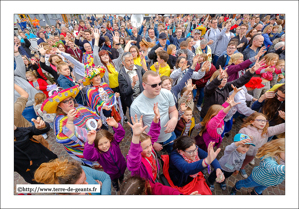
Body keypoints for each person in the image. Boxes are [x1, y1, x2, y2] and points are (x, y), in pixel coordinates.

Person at [41, 85, 103, 167]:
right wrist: (70, 120)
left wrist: (98, 119)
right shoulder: (59, 120)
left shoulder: (80, 107)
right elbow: (61, 139)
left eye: (70, 99)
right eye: (65, 101)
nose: (70, 102)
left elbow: (92, 112)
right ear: (59, 105)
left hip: (98, 139)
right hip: (84, 147)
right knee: (94, 159)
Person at [130, 71, 178, 154]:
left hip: (169, 135)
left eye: (159, 83)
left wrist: (174, 119)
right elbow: (140, 130)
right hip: (152, 141)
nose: (158, 87)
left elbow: (173, 110)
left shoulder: (167, 93)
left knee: (173, 156)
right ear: (144, 85)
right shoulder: (136, 106)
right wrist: (151, 143)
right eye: (154, 85)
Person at [237, 112, 285, 178]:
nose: (263, 122)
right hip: (242, 151)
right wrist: (247, 138)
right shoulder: (245, 130)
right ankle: (235, 167)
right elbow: (238, 140)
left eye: (264, 121)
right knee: (237, 159)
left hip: (253, 153)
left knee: (247, 161)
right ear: (252, 122)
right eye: (260, 120)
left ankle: (242, 167)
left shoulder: (266, 131)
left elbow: (279, 128)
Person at [83, 117, 126, 191]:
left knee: (121, 176)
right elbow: (88, 156)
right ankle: (116, 187)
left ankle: (122, 182)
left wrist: (116, 125)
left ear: (109, 140)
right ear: (96, 146)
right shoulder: (98, 153)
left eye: (106, 142)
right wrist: (90, 143)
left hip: (122, 167)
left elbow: (121, 133)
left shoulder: (114, 143)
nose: (104, 146)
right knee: (114, 181)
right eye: (100, 144)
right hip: (111, 174)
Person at [14, 117, 58, 184]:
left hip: (52, 162)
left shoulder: (17, 131)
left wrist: (42, 127)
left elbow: (32, 130)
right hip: (40, 176)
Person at [195, 87, 240, 152]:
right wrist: (230, 107)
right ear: (214, 115)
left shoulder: (217, 118)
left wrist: (234, 93)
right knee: (201, 152)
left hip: (214, 140)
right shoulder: (212, 123)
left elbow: (227, 103)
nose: (224, 113)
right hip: (206, 143)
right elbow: (221, 114)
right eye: (222, 112)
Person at [34, 158, 111, 195]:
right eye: (81, 185)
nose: (87, 184)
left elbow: (105, 177)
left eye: (85, 178)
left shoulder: (80, 170)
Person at [127, 106, 161, 183]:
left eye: (150, 145)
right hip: (146, 184)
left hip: (155, 175)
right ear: (138, 149)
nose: (150, 149)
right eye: (145, 148)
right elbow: (133, 160)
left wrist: (156, 118)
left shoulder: (149, 147)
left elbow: (154, 132)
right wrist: (135, 136)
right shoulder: (137, 162)